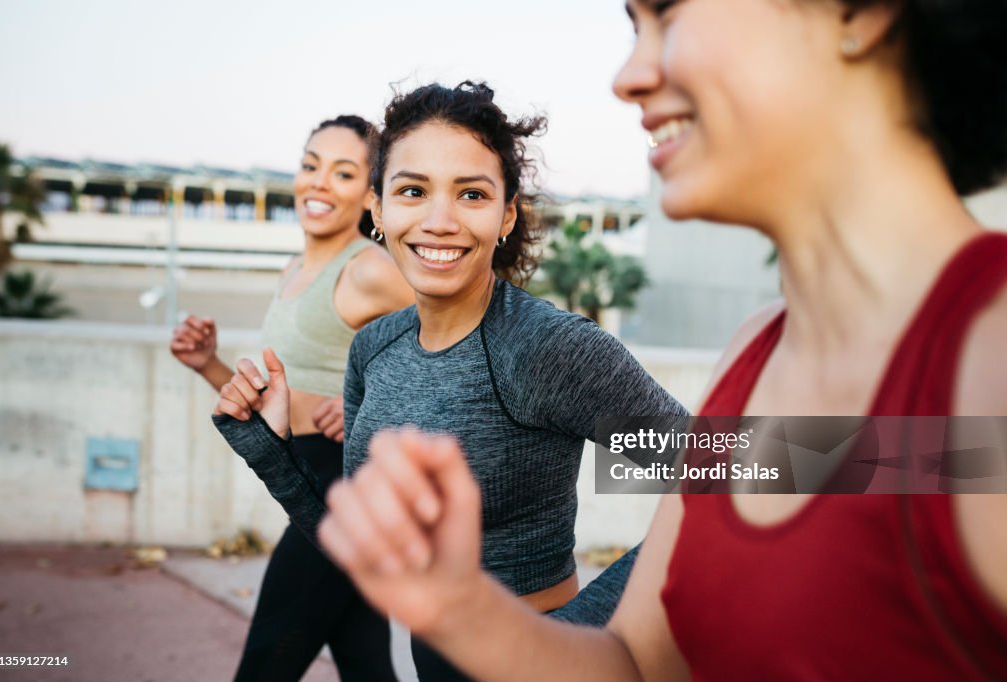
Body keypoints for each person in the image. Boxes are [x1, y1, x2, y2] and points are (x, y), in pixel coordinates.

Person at [314, 1, 1007, 680]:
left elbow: (695, 462)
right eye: (411, 191)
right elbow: (637, 657)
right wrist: (461, 609)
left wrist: (946, 458)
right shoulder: (756, 348)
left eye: (668, 15)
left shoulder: (988, 358)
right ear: (377, 211)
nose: (628, 75)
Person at [211, 82, 689, 680]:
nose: (439, 221)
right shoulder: (374, 349)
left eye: (471, 194)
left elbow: (748, 470)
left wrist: (585, 633)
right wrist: (272, 447)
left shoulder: (542, 349)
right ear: (379, 210)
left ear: (506, 214)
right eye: (413, 191)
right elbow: (372, 555)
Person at [171, 114, 414, 681]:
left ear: (369, 194)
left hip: (343, 483)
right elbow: (279, 396)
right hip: (302, 468)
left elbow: (455, 336)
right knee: (365, 661)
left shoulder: (368, 269)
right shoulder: (294, 269)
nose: (319, 183)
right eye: (311, 166)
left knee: (265, 664)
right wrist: (209, 364)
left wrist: (373, 408)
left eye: (344, 172)